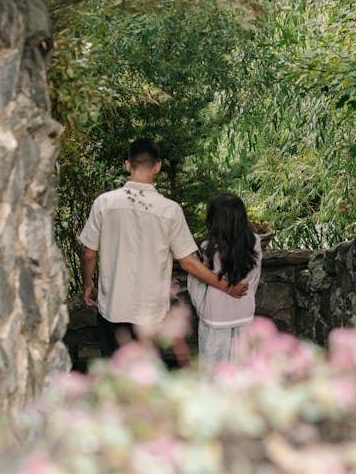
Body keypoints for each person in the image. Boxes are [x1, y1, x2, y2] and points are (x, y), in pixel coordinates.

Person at [78, 138, 248, 358]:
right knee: (147, 378)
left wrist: (87, 284)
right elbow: (188, 262)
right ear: (157, 167)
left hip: (112, 307)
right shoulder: (170, 210)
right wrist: (227, 286)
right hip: (152, 313)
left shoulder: (104, 203)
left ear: (127, 165)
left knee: (115, 374)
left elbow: (89, 253)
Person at [187, 192, 262, 365]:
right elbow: (255, 278)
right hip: (244, 313)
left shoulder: (208, 248)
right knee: (244, 367)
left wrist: (201, 308)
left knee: (213, 368)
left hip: (215, 317)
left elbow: (199, 279)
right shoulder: (255, 242)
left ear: (214, 220)